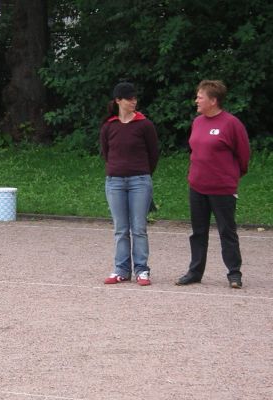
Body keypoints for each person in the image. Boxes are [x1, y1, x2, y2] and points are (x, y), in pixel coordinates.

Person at [176, 80, 250, 289]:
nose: (196, 100)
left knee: (227, 231)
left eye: (200, 97)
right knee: (198, 232)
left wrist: (232, 176)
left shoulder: (231, 124)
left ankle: (234, 274)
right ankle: (195, 272)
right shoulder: (197, 122)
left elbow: (243, 156)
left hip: (222, 189)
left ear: (213, 100)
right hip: (197, 186)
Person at [100, 82, 159, 286]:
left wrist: (141, 173)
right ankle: (121, 269)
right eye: (129, 98)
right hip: (115, 181)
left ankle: (142, 269)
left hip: (139, 181)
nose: (134, 101)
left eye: (135, 98)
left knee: (139, 228)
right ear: (118, 101)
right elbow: (106, 153)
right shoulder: (109, 126)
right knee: (120, 229)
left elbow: (153, 154)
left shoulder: (145, 125)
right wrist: (117, 170)